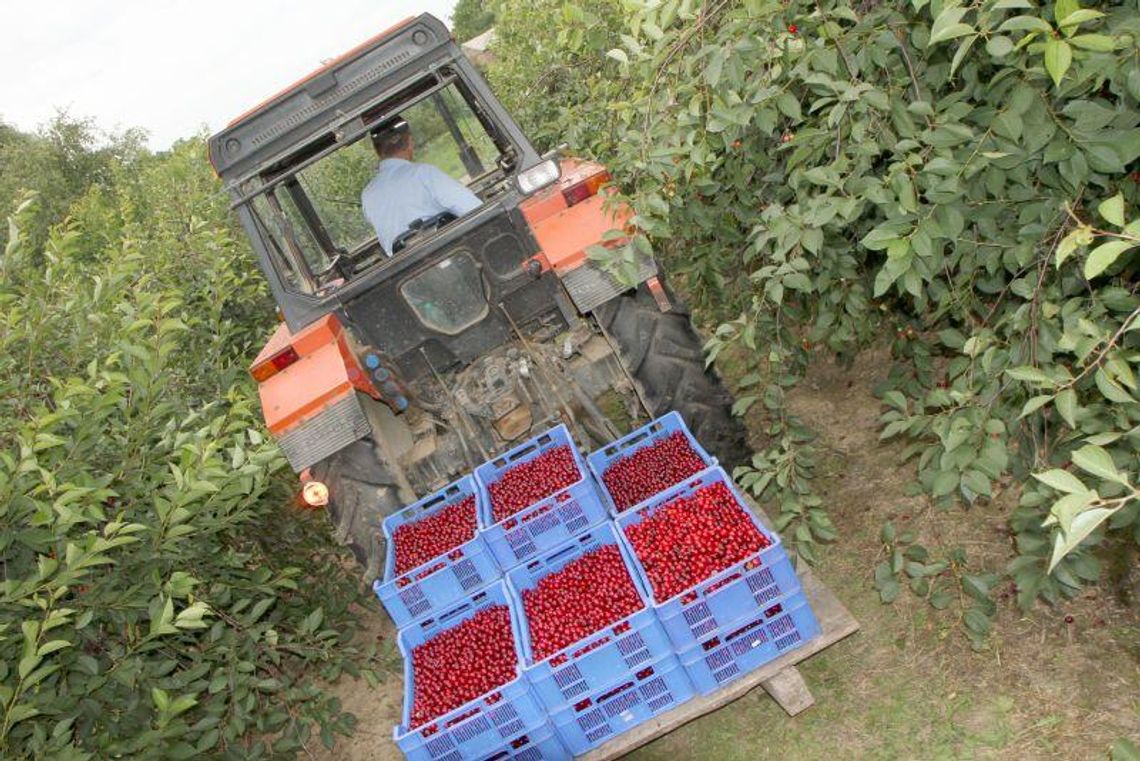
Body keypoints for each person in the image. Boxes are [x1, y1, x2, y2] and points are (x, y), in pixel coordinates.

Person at [361, 117, 481, 255]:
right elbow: (473, 209)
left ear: (377, 151)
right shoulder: (423, 173)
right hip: (452, 254)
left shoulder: (367, 195)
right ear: (410, 142)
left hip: (409, 271)